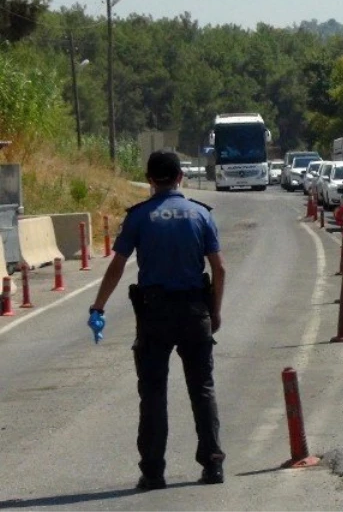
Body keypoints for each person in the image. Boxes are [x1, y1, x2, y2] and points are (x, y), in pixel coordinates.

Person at [88, 151, 227, 490]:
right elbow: (219, 267)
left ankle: (153, 472)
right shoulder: (200, 214)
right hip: (195, 312)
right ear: (180, 176)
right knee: (203, 390)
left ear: (150, 179)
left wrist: (98, 307)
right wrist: (216, 311)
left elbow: (117, 265)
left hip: (154, 314)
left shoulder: (139, 216)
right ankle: (212, 466)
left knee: (152, 394)